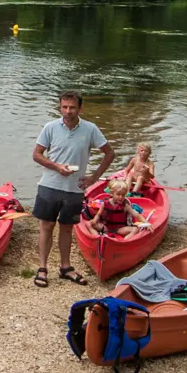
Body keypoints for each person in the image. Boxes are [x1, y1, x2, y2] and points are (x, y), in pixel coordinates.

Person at [30, 90, 111, 287]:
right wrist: (57, 167)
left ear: (80, 108)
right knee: (46, 226)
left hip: (75, 189)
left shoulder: (90, 129)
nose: (68, 111)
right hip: (49, 185)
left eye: (72, 107)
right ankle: (42, 268)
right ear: (60, 107)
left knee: (66, 229)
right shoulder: (50, 127)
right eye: (64, 107)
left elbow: (109, 154)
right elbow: (37, 154)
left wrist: (94, 177)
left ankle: (65, 267)